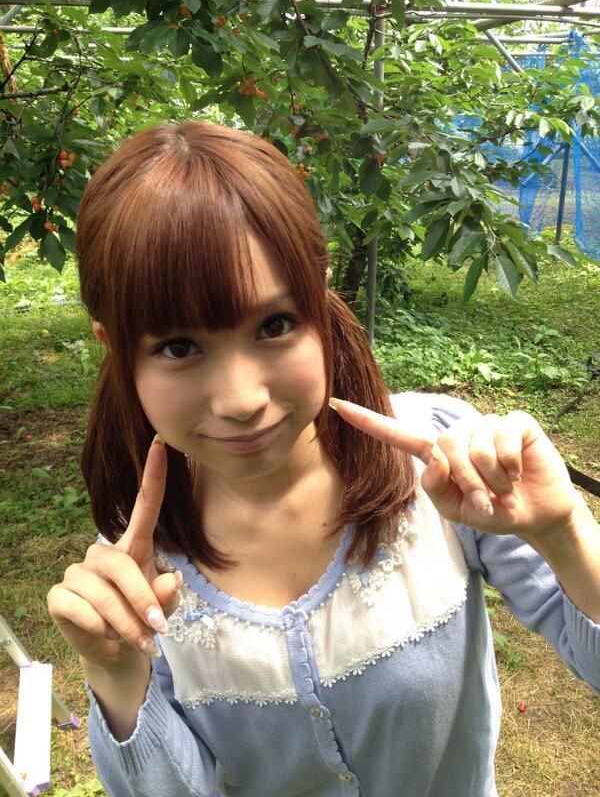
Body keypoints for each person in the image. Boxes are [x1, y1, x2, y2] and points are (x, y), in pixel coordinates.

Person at [47, 120, 600, 797]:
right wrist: (115, 674)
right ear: (115, 347)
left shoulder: (438, 466)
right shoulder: (136, 573)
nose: (242, 400)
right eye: (179, 347)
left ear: (320, 292)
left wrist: (563, 532)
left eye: (274, 325)